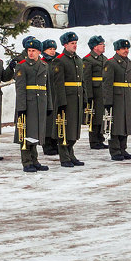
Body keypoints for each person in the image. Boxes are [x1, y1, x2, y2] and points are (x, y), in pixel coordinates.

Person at [14, 38, 51, 172]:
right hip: (28, 104)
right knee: (25, 133)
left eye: (33, 51)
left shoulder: (44, 65)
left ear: (39, 52)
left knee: (36, 133)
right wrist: (21, 108)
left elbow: (48, 87)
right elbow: (20, 89)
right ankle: (27, 161)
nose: (30, 53)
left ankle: (34, 160)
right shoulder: (22, 66)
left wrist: (49, 105)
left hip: (40, 103)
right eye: (29, 51)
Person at [53, 32, 86, 167]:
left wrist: (84, 97)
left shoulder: (78, 59)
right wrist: (61, 102)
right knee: (65, 128)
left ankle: (70, 154)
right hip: (67, 98)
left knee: (74, 128)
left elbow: (82, 81)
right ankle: (64, 157)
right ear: (65, 45)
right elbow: (58, 83)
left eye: (76, 43)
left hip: (77, 98)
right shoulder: (60, 60)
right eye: (72, 43)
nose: (75, 46)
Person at [104, 39, 131, 161]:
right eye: (123, 48)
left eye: (127, 48)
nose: (126, 51)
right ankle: (115, 151)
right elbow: (107, 84)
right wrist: (108, 101)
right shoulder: (111, 63)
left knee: (126, 124)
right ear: (117, 50)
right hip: (116, 97)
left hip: (127, 96)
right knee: (116, 125)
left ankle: (123, 148)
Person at [83, 36, 110, 150]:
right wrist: (89, 95)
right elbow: (87, 79)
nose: (103, 46)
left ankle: (100, 138)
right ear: (95, 47)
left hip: (103, 91)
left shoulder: (104, 58)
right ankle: (94, 140)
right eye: (101, 44)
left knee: (102, 116)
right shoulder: (88, 60)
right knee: (94, 117)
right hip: (95, 91)